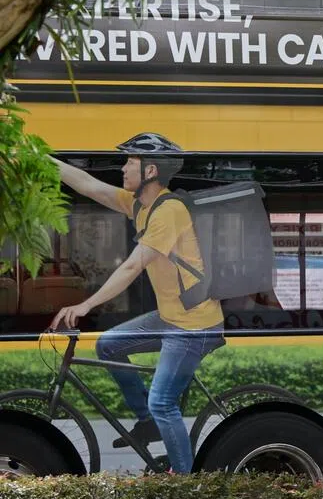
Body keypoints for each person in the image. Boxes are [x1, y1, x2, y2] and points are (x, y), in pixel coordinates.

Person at [48, 133, 225, 474]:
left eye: (130, 162)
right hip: (171, 318)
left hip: (194, 325)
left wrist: (85, 305)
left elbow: (132, 266)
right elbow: (89, 185)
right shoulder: (141, 205)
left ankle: (185, 485)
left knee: (163, 401)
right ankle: (148, 422)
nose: (123, 168)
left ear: (150, 171)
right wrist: (41, 159)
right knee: (109, 345)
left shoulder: (169, 211)